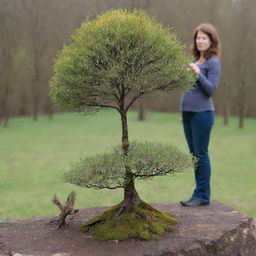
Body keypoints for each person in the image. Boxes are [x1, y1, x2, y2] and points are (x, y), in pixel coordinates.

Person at [179, 23, 221, 207]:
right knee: (194, 155)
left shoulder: (213, 62)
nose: (200, 41)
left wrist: (198, 74)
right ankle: (197, 193)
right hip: (187, 114)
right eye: (198, 38)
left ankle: (203, 196)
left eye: (204, 38)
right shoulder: (195, 61)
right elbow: (188, 89)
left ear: (211, 41)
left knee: (201, 154)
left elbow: (210, 90)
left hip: (202, 114)